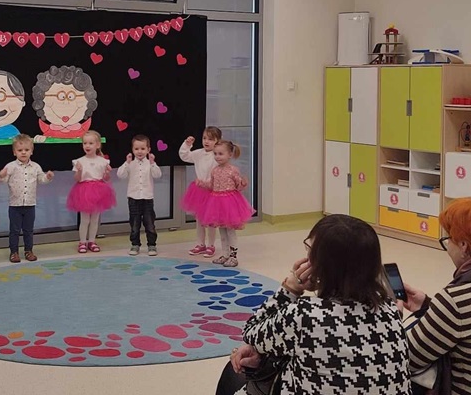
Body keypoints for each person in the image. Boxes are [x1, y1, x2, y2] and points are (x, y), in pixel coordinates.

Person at [219, 214, 411, 395]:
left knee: (234, 373)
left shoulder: (304, 315)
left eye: (309, 251)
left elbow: (251, 331)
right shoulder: (391, 310)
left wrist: (290, 287)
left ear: (321, 265)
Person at [401, 197, 471, 395]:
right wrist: (428, 307)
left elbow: (405, 358)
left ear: (464, 246)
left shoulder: (455, 301)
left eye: (448, 239)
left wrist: (392, 318)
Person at [0, 134, 54, 263]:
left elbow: (42, 180)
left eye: (26, 150)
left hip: (30, 204)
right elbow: (2, 181)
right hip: (15, 205)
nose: (23, 152)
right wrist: (1, 176)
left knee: (28, 230)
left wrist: (48, 177)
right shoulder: (10, 166)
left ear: (31, 151)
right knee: (14, 230)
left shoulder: (36, 167)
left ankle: (29, 251)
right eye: (20, 150)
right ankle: (14, 252)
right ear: (14, 152)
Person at [198, 140, 254, 267]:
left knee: (230, 231)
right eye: (215, 154)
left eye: (221, 154)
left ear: (230, 155)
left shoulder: (233, 170)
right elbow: (211, 185)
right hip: (217, 203)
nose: (217, 157)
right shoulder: (215, 170)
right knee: (222, 230)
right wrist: (202, 184)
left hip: (229, 203)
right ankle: (225, 254)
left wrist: (243, 183)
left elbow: (238, 186)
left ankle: (233, 257)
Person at [66, 130, 116, 254]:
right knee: (85, 219)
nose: (87, 146)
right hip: (84, 191)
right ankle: (82, 242)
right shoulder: (79, 161)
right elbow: (77, 179)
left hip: (99, 191)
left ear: (97, 145)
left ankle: (92, 241)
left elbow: (106, 179)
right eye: (85, 143)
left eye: (90, 143)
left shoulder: (103, 161)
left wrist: (107, 173)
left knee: (95, 219)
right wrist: (79, 171)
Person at [180, 126, 222, 257]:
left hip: (212, 191)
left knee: (211, 221)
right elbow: (184, 156)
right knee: (199, 220)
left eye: (211, 139)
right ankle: (200, 244)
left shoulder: (217, 156)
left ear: (217, 141)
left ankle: (211, 245)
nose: (206, 141)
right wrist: (187, 144)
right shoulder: (198, 153)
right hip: (199, 191)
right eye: (204, 138)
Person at [117, 134, 161, 256]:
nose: (139, 151)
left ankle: (152, 245)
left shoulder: (150, 163)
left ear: (148, 149)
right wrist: (126, 162)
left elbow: (157, 175)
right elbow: (121, 175)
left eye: (142, 148)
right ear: (132, 149)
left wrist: (153, 163)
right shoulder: (130, 163)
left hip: (147, 198)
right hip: (133, 198)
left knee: (150, 223)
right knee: (135, 224)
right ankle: (135, 244)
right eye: (136, 149)